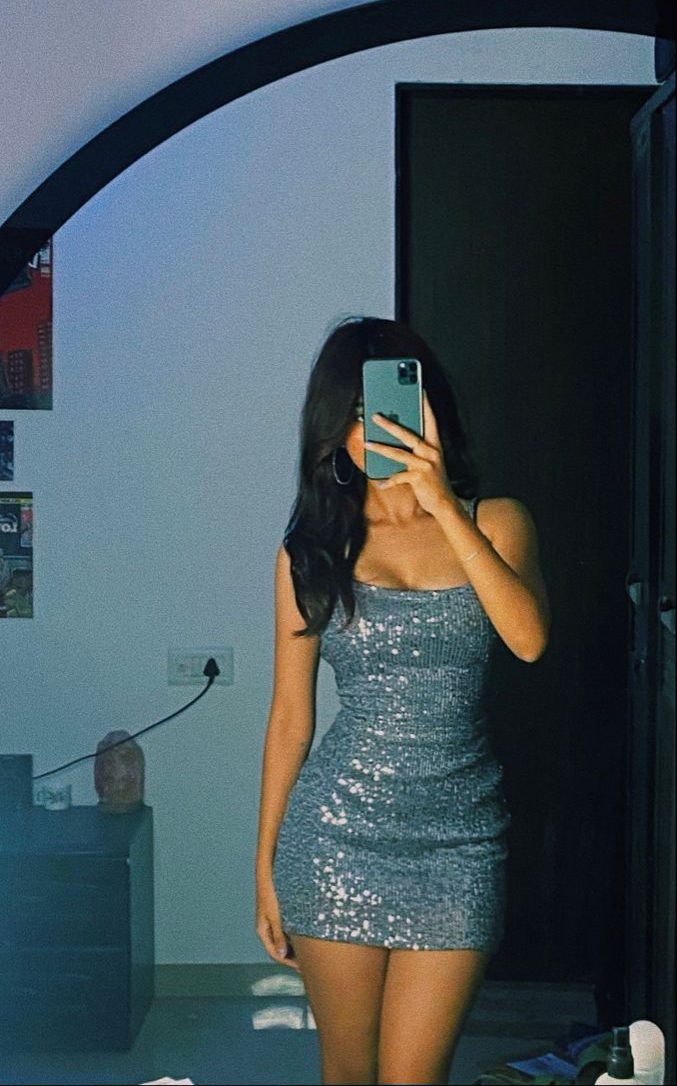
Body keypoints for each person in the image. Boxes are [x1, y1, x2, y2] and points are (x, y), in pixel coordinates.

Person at [255, 315, 550, 1085]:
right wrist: (264, 868)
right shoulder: (311, 551)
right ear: (333, 431)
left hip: (459, 844)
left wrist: (441, 503)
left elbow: (527, 640)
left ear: (431, 410)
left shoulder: (496, 522)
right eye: (357, 414)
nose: (376, 429)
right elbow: (289, 719)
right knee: (347, 1072)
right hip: (334, 838)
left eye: (391, 405)